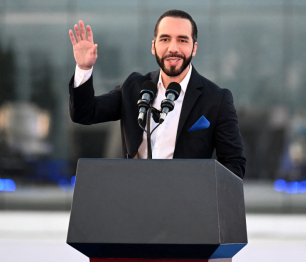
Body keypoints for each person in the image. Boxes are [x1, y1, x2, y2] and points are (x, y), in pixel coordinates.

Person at [68, 9, 246, 178]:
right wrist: (84, 69)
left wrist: (202, 194)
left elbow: (234, 163)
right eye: (165, 39)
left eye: (182, 40)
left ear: (194, 48)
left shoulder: (216, 98)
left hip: (187, 204)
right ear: (154, 46)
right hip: (134, 202)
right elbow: (84, 113)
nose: (173, 48)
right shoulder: (134, 87)